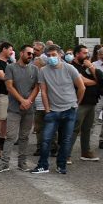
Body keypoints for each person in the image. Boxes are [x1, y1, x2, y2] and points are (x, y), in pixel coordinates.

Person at [30, 45, 85, 175]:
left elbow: (81, 87)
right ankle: (43, 165)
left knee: (65, 141)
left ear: (60, 55)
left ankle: (61, 165)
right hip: (52, 111)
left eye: (54, 55)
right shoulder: (43, 70)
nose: (51, 58)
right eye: (48, 56)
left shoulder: (69, 68)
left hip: (69, 110)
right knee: (46, 139)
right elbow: (43, 91)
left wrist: (76, 104)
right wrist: (47, 109)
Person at [0, 45, 40, 173]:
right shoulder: (11, 67)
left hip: (29, 109)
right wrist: (22, 101)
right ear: (21, 53)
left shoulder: (35, 69)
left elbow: (37, 87)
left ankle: (22, 163)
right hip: (14, 109)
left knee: (24, 137)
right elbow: (9, 86)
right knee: (10, 136)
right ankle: (4, 163)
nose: (30, 56)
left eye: (32, 54)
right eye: (28, 53)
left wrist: (29, 101)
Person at [69, 44, 102, 161]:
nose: (86, 55)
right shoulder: (72, 67)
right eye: (84, 53)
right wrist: (96, 81)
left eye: (87, 53)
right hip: (80, 102)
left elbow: (100, 78)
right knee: (74, 129)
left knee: (87, 129)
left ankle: (85, 152)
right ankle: (66, 154)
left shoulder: (87, 66)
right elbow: (83, 82)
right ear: (77, 54)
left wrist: (92, 69)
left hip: (91, 102)